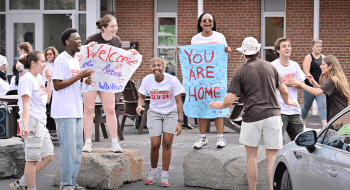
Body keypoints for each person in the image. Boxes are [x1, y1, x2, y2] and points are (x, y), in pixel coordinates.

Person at [209, 37, 297, 190]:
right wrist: (288, 102)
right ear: (257, 50)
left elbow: (230, 99)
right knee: (272, 158)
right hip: (273, 116)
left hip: (252, 117)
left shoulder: (240, 71)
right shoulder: (271, 67)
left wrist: (220, 105)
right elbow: (283, 90)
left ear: (244, 53)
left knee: (252, 157)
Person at [82, 14, 138, 153]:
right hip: (91, 78)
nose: (115, 29)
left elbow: (119, 59)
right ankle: (88, 142)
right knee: (88, 109)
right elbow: (82, 57)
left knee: (110, 109)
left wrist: (129, 53)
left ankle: (114, 142)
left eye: (116, 26)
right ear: (104, 28)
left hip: (107, 80)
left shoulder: (116, 40)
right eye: (112, 26)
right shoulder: (93, 39)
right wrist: (89, 47)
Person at [176, 12, 231, 149]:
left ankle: (220, 137)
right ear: (200, 23)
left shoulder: (220, 37)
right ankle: (202, 137)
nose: (207, 22)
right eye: (204, 20)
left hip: (216, 80)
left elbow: (223, 52)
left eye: (210, 20)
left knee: (218, 107)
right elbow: (194, 59)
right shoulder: (195, 39)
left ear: (213, 23)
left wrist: (227, 49)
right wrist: (182, 51)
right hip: (200, 81)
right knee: (201, 108)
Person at [51, 28, 92, 190]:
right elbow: (57, 85)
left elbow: (74, 85)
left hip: (76, 109)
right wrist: (79, 77)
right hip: (64, 111)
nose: (80, 41)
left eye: (81, 39)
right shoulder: (61, 60)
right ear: (68, 42)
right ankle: (66, 184)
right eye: (77, 39)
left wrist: (84, 82)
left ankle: (71, 182)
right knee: (68, 150)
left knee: (76, 150)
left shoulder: (75, 60)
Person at [9, 51, 53, 190]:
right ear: (33, 63)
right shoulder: (27, 79)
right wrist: (25, 125)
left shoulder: (39, 77)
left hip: (41, 122)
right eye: (42, 61)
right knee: (32, 160)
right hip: (32, 122)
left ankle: (21, 184)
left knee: (48, 156)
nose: (44, 64)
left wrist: (49, 81)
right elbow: (26, 105)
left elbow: (47, 100)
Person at [136, 57, 184, 187]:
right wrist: (139, 105)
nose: (156, 68)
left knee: (167, 143)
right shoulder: (147, 80)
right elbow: (141, 96)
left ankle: (165, 175)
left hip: (171, 113)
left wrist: (179, 121)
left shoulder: (172, 80)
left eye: (159, 65)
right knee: (155, 144)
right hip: (155, 113)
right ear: (150, 68)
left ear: (164, 67)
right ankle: (152, 172)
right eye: (153, 66)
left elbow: (179, 102)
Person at [290, 55, 350, 122]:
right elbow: (324, 92)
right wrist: (314, 84)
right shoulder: (336, 79)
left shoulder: (332, 80)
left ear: (330, 66)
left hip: (337, 118)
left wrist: (300, 83)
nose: (320, 67)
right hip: (341, 116)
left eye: (323, 64)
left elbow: (316, 92)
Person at [271, 37, 305, 141]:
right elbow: (270, 86)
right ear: (278, 50)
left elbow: (302, 84)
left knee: (301, 142)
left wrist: (294, 83)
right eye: (284, 46)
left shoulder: (295, 65)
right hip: (279, 110)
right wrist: (286, 84)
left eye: (289, 46)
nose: (287, 48)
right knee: (276, 143)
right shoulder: (273, 66)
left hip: (294, 110)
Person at [301, 39, 327, 126]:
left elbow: (325, 72)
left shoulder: (323, 57)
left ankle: (325, 126)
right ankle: (301, 125)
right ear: (312, 48)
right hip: (309, 87)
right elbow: (306, 71)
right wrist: (312, 81)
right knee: (306, 106)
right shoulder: (308, 57)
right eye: (317, 46)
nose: (319, 48)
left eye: (320, 46)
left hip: (320, 87)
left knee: (322, 106)